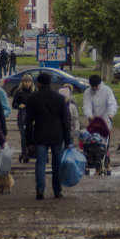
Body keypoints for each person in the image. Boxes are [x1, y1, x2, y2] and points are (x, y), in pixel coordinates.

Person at [25, 71, 72, 199]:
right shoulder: (59, 99)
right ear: (50, 82)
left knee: (40, 163)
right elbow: (65, 121)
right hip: (57, 135)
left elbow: (28, 123)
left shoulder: (32, 99)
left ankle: (40, 190)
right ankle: (57, 190)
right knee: (56, 163)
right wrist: (68, 141)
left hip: (40, 134)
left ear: (38, 83)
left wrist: (29, 141)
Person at [10, 73, 36, 163]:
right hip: (22, 116)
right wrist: (19, 105)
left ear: (31, 82)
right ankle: (25, 153)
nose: (27, 83)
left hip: (32, 116)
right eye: (25, 81)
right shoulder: (19, 92)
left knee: (33, 134)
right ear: (22, 82)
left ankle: (33, 152)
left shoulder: (34, 91)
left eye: (28, 81)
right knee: (23, 136)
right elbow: (13, 104)